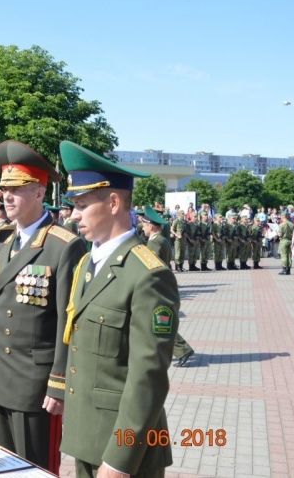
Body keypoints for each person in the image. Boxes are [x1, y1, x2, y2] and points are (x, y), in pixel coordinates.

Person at [0, 141, 86, 474]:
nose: (7, 196)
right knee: (1, 467)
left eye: (17, 188)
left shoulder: (63, 246)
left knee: (34, 468)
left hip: (33, 384)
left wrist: (58, 382)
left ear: (40, 193)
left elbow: (70, 321)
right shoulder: (0, 239)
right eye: (3, 189)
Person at [59, 140, 179, 478]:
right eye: (73, 206)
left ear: (113, 202)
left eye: (81, 205)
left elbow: (148, 377)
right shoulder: (87, 263)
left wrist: (119, 460)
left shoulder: (148, 275)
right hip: (86, 438)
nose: (74, 215)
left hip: (125, 453)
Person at [142, 206, 194, 368]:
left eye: (144, 225)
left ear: (151, 226)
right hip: (161, 287)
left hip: (155, 288)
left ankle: (183, 350)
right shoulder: (162, 240)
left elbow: (152, 268)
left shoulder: (154, 243)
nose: (142, 228)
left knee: (159, 323)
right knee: (154, 322)